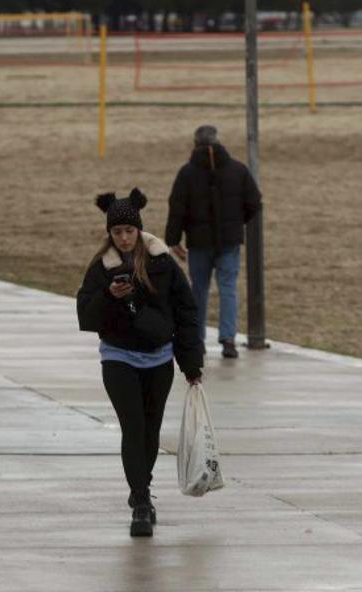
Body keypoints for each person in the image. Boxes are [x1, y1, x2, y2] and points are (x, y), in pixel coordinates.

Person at [77, 188, 203, 538]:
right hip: (118, 357)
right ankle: (142, 502)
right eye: (117, 232)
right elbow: (85, 316)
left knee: (150, 431)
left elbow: (186, 313)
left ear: (139, 229)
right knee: (133, 428)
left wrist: (191, 363)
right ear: (110, 234)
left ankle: (139, 488)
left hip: (159, 358)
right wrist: (108, 296)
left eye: (129, 231)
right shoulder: (101, 269)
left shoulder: (163, 263)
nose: (124, 238)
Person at [164, 125, 262, 359]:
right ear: (218, 141)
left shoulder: (187, 173)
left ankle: (197, 340)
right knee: (228, 287)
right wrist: (238, 223)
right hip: (229, 241)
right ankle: (228, 339)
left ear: (195, 143)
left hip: (198, 243)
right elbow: (254, 202)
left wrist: (173, 240)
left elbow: (177, 208)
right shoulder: (238, 170)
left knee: (199, 290)